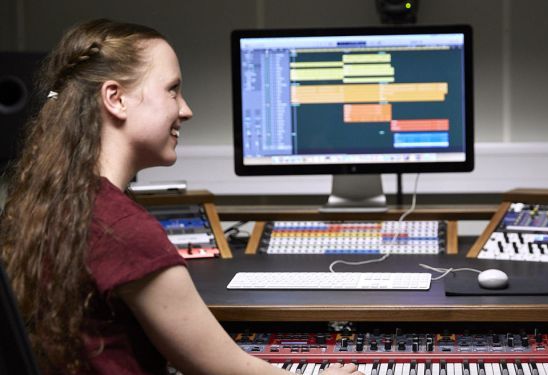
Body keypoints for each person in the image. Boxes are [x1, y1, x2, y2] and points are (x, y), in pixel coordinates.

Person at [0, 19, 363, 375]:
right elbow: (230, 370)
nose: (185, 110)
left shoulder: (47, 204)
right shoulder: (121, 229)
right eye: (172, 89)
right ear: (116, 99)